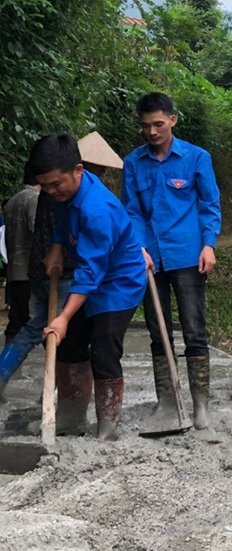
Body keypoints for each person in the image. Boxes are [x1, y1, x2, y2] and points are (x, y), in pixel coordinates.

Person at [30, 133, 146, 440]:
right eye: (45, 185)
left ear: (78, 171)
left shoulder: (97, 210)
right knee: (69, 345)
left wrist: (63, 317)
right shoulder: (63, 194)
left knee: (104, 350)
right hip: (92, 275)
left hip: (119, 282)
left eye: (56, 184)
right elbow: (61, 220)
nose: (51, 191)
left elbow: (90, 276)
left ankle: (108, 427)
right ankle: (69, 419)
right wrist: (56, 247)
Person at [122, 92, 221, 430]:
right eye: (146, 126)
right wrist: (138, 247)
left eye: (159, 124)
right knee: (156, 328)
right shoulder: (134, 163)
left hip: (188, 255)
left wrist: (209, 245)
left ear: (173, 120)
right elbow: (132, 211)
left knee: (194, 329)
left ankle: (200, 405)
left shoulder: (196, 158)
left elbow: (209, 206)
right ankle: (166, 401)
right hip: (150, 258)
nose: (152, 132)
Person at [0, 132, 122, 406]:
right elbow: (86, 262)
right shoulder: (64, 193)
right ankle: (64, 403)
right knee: (65, 338)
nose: (52, 189)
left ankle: (44, 394)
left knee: (34, 329)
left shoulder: (53, 194)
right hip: (65, 275)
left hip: (37, 272)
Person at [3, 167, 40, 343]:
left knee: (16, 323)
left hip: (14, 272)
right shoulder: (34, 199)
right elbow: (37, 232)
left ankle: (6, 367)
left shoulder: (12, 201)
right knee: (35, 322)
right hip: (30, 272)